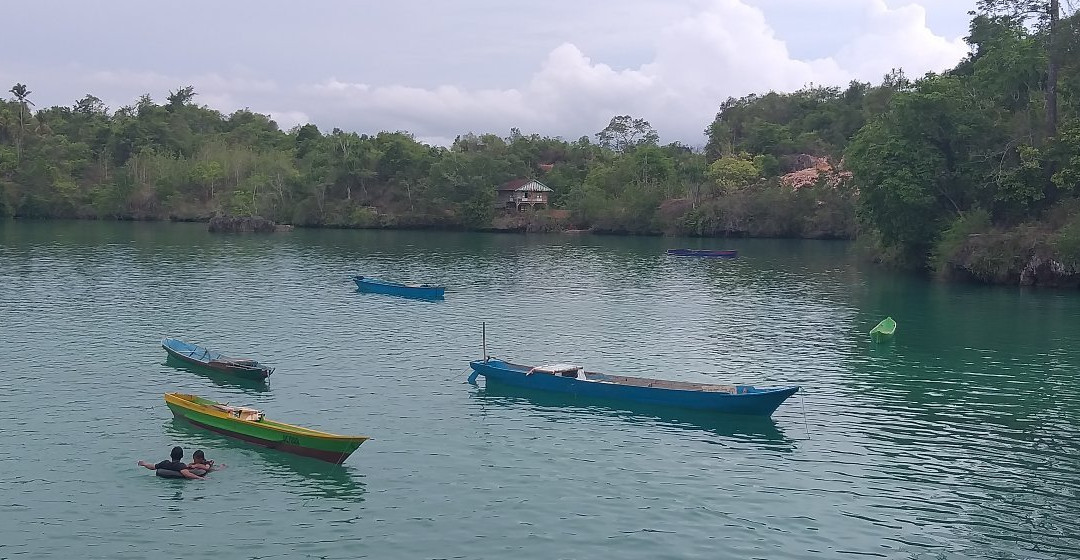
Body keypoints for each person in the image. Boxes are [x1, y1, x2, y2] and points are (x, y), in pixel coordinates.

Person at [138, 446, 204, 480]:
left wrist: (144, 464)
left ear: (171, 455)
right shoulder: (180, 466)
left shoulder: (165, 463)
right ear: (182, 456)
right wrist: (201, 478)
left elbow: (153, 467)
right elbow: (187, 475)